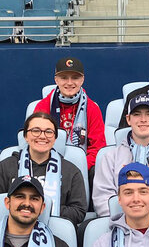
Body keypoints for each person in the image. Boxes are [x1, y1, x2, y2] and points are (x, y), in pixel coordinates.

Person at [0, 112, 87, 226]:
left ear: (55, 138)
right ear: (26, 136)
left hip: (55, 231)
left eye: (48, 132)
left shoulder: (71, 171)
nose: (42, 136)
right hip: (13, 230)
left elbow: (79, 211)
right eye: (36, 130)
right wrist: (24, 214)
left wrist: (41, 210)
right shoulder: (6, 166)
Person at [34, 56, 106, 190]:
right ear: (56, 79)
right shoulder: (43, 106)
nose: (69, 82)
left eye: (75, 78)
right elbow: (35, 140)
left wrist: (79, 165)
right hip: (48, 161)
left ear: (82, 79)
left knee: (98, 170)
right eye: (64, 78)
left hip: (82, 165)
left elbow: (98, 148)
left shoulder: (92, 108)